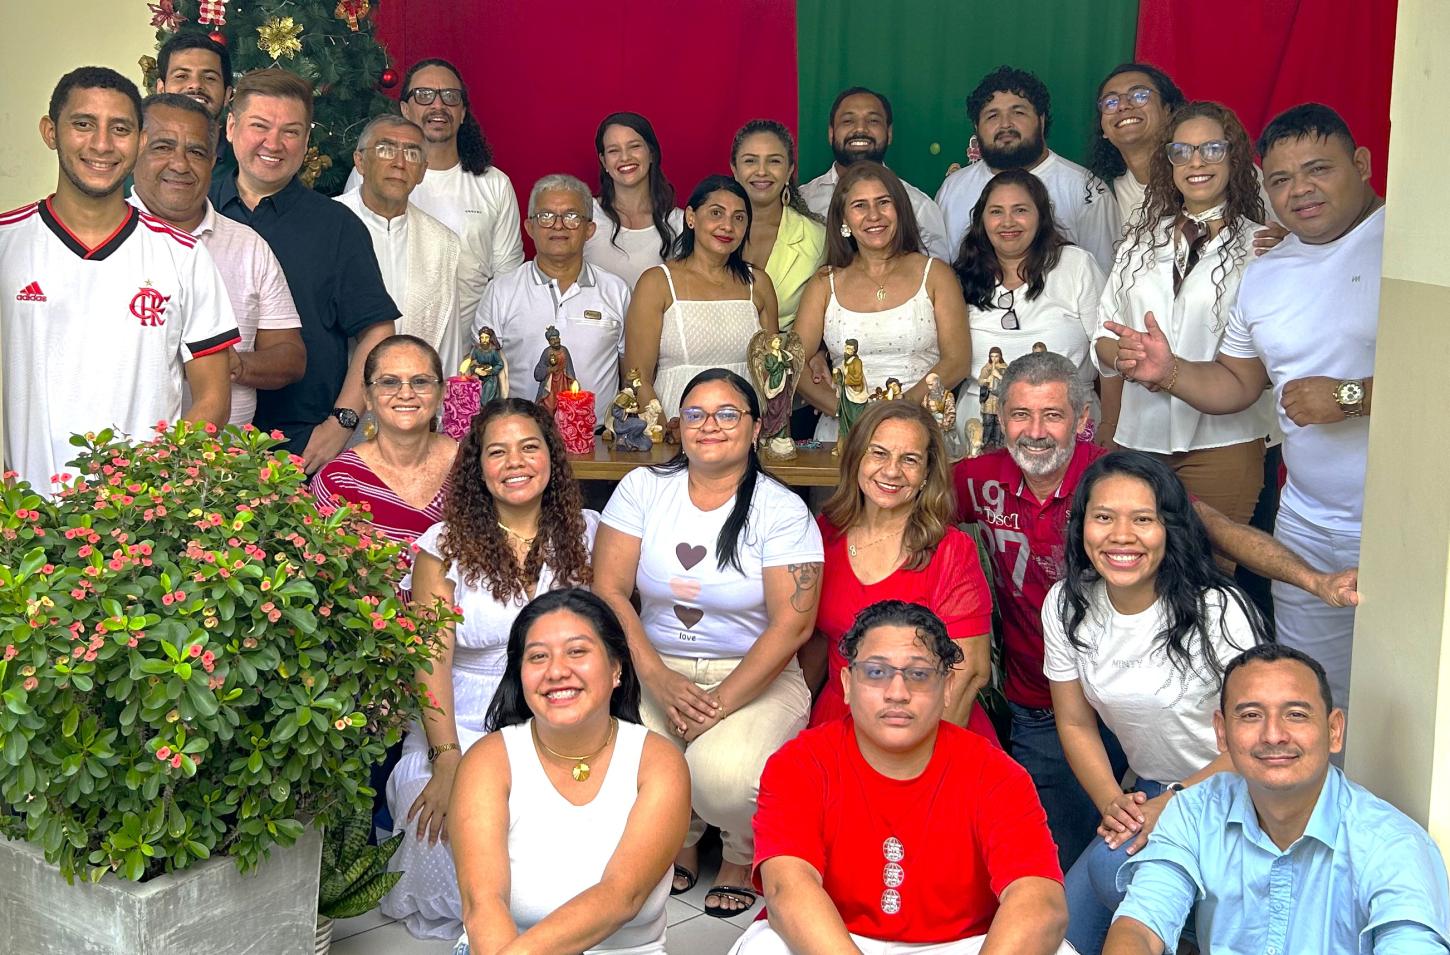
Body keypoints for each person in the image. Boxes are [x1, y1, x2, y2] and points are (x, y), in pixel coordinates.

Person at [953, 351, 1359, 870]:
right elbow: (906, 506)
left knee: (1133, 849)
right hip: (1047, 701)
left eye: (1052, 415)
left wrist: (1315, 581)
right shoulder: (978, 477)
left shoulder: (1115, 481)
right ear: (1000, 417)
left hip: (1145, 708)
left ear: (1082, 419)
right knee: (1066, 855)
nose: (1035, 431)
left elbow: (1218, 529)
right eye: (1020, 415)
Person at [1109, 103, 1382, 720]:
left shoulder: (1408, 247)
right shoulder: (1268, 270)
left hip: (1403, 519)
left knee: (1413, 696)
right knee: (1314, 694)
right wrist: (1169, 372)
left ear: (1362, 164)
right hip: (1307, 520)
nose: (1300, 190)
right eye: (1281, 179)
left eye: (1318, 169)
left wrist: (1352, 396)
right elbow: (1236, 382)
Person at [593, 369, 823, 918]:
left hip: (754, 673)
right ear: (679, 425)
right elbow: (609, 590)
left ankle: (741, 855)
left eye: (727, 414)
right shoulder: (644, 488)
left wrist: (716, 704)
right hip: (655, 664)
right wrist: (655, 677)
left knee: (724, 778)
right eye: (695, 414)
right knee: (630, 768)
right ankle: (682, 841)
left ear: (756, 428)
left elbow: (792, 627)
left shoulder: (780, 508)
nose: (710, 425)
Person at [736, 600, 1074, 955]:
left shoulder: (997, 774)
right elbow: (787, 889)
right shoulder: (799, 763)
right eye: (876, 672)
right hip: (832, 938)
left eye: (918, 674)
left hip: (962, 945)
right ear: (847, 683)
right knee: (768, 946)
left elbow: (1040, 902)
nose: (897, 693)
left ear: (947, 687)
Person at [381, 397, 598, 939]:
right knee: (452, 819)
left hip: (560, 719)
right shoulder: (442, 548)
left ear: (552, 457)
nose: (515, 462)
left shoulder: (589, 535)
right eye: (497, 452)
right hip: (460, 720)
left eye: (529, 447)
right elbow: (429, 659)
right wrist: (447, 759)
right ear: (477, 469)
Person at [1044, 451, 1271, 954]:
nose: (1121, 536)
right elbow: (1076, 723)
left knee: (1114, 871)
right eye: (1104, 517)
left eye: (1143, 519)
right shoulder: (1065, 604)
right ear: (1082, 526)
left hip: (1241, 792)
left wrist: (1171, 804)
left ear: (1170, 528)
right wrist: (1113, 803)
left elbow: (1263, 741)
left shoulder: (1218, 609)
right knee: (1058, 934)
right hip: (1152, 789)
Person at [1105, 643, 1450, 954]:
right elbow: (1141, 924)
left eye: (1296, 714)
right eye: (1251, 715)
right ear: (1222, 732)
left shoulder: (1393, 846)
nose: (1273, 735)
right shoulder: (1195, 811)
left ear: (1334, 731)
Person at [2, 67, 237, 493]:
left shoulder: (184, 256)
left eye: (121, 128)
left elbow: (213, 401)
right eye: (83, 124)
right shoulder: (7, 244)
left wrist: (143, 491)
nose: (102, 144)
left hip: (137, 521)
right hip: (23, 516)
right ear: (50, 132)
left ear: (141, 141)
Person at [449, 588, 691, 955]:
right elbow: (483, 903)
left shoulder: (658, 763)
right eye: (538, 656)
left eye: (577, 651)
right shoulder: (488, 761)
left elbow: (621, 895)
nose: (557, 671)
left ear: (616, 668)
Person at [1094, 102, 1277, 529]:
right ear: (1169, 162)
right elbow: (1102, 333)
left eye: (1212, 149)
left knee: (1210, 560)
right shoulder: (1139, 243)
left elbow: (1274, 356)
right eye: (1182, 151)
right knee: (1141, 556)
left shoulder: (1262, 248)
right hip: (1141, 435)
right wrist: (1127, 357)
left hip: (1225, 441)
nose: (1196, 162)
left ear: (1234, 157)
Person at [211, 68, 398, 470]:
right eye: (259, 126)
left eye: (291, 132)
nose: (273, 143)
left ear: (307, 141)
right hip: (201, 439)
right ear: (231, 127)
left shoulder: (338, 226)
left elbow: (377, 331)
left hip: (301, 445)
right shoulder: (195, 209)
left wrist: (342, 422)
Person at [805, 400, 996, 741]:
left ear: (926, 474)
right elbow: (815, 641)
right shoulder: (825, 533)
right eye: (878, 453)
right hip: (838, 717)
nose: (891, 471)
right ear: (856, 458)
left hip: (928, 723)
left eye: (909, 459)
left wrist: (918, 755)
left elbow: (969, 671)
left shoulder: (950, 550)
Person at [129, 92, 304, 427]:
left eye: (196, 152)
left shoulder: (247, 245)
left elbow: (291, 357)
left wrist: (233, 364)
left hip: (226, 455)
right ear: (135, 149)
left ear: (212, 160)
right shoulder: (106, 242)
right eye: (163, 147)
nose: (180, 164)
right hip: (120, 455)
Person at [793, 161, 971, 442]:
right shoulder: (824, 283)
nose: (873, 215)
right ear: (843, 220)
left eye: (883, 202)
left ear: (900, 210)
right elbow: (795, 362)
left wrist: (899, 409)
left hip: (919, 428)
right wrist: (847, 412)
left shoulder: (935, 274)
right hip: (843, 434)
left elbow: (957, 361)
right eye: (859, 206)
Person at [346, 58, 524, 319]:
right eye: (424, 95)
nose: (438, 105)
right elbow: (350, 256)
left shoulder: (495, 184)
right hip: (383, 333)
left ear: (462, 112)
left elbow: (507, 279)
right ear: (405, 109)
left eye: (450, 96)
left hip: (469, 340)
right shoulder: (372, 174)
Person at [953, 168, 1105, 438]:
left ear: (1041, 216)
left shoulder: (1076, 265)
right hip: (980, 427)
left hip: (1067, 425)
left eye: (1020, 210)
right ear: (982, 220)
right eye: (996, 211)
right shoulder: (963, 275)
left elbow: (1109, 354)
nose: (1007, 222)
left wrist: (1111, 426)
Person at [474, 173, 630, 424]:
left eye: (571, 216)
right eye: (546, 216)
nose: (558, 225)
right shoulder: (501, 291)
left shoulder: (616, 291)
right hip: (519, 434)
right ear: (529, 227)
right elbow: (483, 372)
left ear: (589, 229)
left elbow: (631, 374)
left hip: (598, 438)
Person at [622, 176, 779, 419]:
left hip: (744, 428)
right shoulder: (657, 283)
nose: (728, 226)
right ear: (691, 217)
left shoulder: (758, 284)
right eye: (716, 213)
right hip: (676, 426)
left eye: (738, 218)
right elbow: (637, 377)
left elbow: (774, 374)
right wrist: (664, 431)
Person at [937, 66, 1119, 272]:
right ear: (976, 127)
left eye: (1018, 112)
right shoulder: (953, 188)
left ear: (1041, 120)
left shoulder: (1087, 190)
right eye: (992, 116)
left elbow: (1106, 279)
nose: (1005, 124)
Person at [338, 115, 472, 377]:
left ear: (422, 170)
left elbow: (447, 341)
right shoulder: (326, 223)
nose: (399, 163)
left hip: (413, 395)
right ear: (360, 161)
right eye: (386, 149)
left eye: (411, 154)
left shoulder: (442, 242)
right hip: (335, 395)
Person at [312, 334, 456, 563]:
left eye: (420, 381)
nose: (406, 394)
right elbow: (326, 572)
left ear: (441, 393)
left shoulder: (471, 463)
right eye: (389, 382)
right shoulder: (339, 480)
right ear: (367, 396)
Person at [798, 86, 952, 260]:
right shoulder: (804, 201)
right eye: (848, 121)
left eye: (873, 121)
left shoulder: (919, 207)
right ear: (831, 133)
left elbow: (934, 273)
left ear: (889, 133)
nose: (860, 129)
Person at [729, 119, 827, 330]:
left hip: (787, 350)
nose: (761, 171)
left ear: (789, 170)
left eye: (774, 161)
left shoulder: (817, 238)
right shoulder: (709, 232)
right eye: (750, 161)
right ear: (734, 169)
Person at [585, 112, 684, 290]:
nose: (625, 157)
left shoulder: (680, 223)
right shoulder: (586, 215)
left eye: (634, 146)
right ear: (604, 161)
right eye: (613, 150)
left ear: (651, 153)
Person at [1086, 63, 1186, 232]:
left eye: (1139, 95)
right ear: (1103, 130)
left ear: (1168, 111)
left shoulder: (1200, 172)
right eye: (1110, 102)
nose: (1123, 106)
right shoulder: (1100, 191)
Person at [153, 32, 235, 175]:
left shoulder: (245, 166)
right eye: (181, 76)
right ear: (161, 89)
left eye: (209, 78)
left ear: (227, 95)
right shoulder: (132, 162)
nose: (196, 84)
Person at [533, 325, 575, 412]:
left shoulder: (564, 350)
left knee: (564, 404)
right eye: (552, 339)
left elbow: (569, 367)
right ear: (549, 342)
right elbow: (538, 372)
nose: (556, 341)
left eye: (557, 338)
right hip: (551, 383)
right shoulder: (547, 352)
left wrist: (572, 380)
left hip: (563, 382)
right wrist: (549, 369)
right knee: (550, 406)